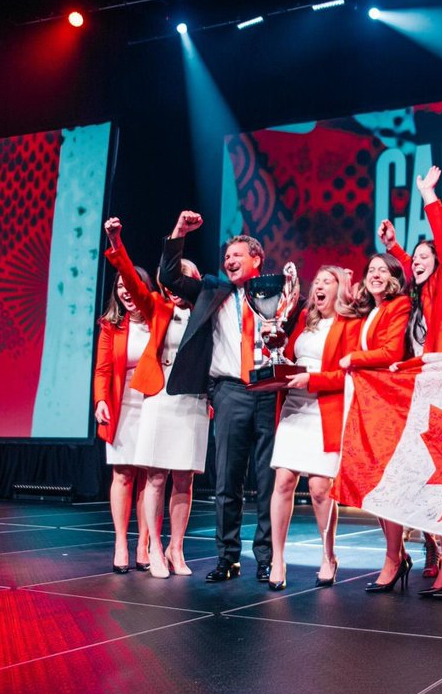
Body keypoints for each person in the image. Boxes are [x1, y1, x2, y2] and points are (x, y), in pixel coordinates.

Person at [160, 211, 291, 585]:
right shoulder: (212, 289)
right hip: (230, 391)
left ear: (257, 260)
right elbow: (169, 276)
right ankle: (228, 558)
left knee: (267, 481)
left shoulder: (280, 291)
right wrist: (179, 231)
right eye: (227, 256)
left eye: (237, 255)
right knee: (227, 483)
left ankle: (266, 559)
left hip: (269, 391)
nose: (230, 261)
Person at [380, 166, 442, 596]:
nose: (416, 263)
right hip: (433, 392)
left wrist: (428, 197)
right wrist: (397, 250)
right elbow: (413, 265)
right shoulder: (424, 296)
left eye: (425, 258)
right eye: (412, 262)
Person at [101, 217, 208, 579]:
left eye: (186, 277)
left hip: (193, 401)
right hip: (160, 398)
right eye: (173, 276)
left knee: (185, 480)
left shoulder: (206, 315)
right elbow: (131, 281)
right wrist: (117, 242)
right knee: (157, 476)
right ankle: (155, 549)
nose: (178, 284)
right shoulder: (157, 308)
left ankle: (177, 549)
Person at [267, 266, 360, 590]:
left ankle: (328, 555)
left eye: (327, 282)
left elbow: (350, 375)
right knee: (283, 482)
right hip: (294, 409)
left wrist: (314, 379)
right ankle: (278, 559)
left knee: (321, 489)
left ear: (340, 288)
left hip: (325, 411)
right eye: (316, 281)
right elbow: (287, 358)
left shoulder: (349, 325)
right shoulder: (304, 323)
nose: (318, 286)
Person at [333, 252, 413, 593]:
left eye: (383, 270)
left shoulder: (399, 305)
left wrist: (353, 359)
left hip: (391, 403)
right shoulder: (373, 309)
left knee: (388, 483)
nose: (376, 275)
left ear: (394, 276)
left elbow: (392, 351)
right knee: (377, 482)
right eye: (371, 270)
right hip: (372, 402)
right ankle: (400, 553)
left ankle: (393, 558)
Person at [93, 257, 154, 575]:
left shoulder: (158, 319)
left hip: (154, 404)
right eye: (119, 287)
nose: (125, 291)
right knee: (123, 474)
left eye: (129, 284)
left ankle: (144, 544)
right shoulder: (111, 325)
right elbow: (103, 370)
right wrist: (100, 400)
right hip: (123, 406)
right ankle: (120, 543)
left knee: (150, 478)